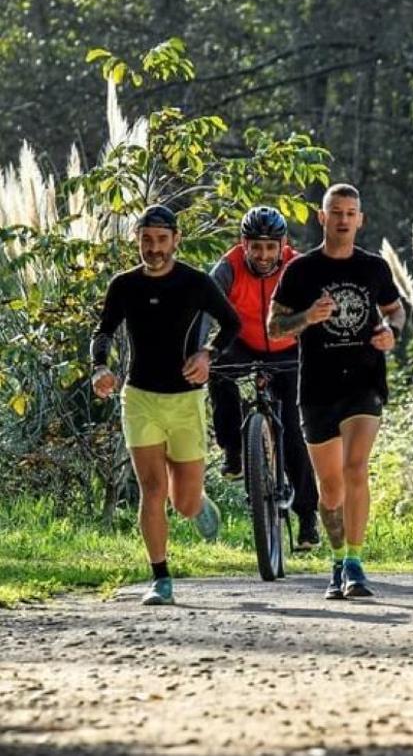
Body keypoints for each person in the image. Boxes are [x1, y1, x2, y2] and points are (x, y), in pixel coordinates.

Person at [90, 204, 241, 606]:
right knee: (152, 488)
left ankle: (198, 503)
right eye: (146, 240)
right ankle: (161, 577)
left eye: (161, 240)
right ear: (137, 240)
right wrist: (99, 369)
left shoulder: (196, 283)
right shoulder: (124, 285)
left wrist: (207, 355)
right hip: (139, 399)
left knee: (184, 500)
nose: (154, 249)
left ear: (176, 240)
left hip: (186, 400)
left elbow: (233, 324)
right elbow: (104, 331)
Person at [268, 184, 405, 599]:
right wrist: (308, 316)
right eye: (336, 212)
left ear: (360, 219)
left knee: (355, 467)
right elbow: (275, 327)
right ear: (321, 217)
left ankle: (356, 563)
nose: (344, 219)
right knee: (330, 488)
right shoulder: (301, 271)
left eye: (351, 212)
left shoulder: (374, 268)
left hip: (364, 381)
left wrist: (391, 333)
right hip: (317, 387)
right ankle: (337, 561)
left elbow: (395, 309)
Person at [205, 206, 320, 550]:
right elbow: (203, 311)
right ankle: (234, 449)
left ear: (283, 245)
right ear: (243, 244)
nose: (264, 255)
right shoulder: (227, 268)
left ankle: (307, 517)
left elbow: (319, 314)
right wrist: (200, 351)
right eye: (256, 246)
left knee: (292, 433)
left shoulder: (298, 266)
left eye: (271, 247)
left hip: (288, 347)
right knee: (218, 372)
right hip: (243, 342)